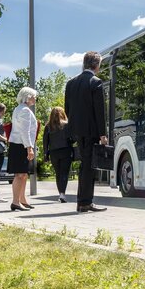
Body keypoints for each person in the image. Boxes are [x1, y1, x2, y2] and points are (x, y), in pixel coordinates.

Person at [65, 51, 108, 213]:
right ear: (96, 65)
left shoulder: (71, 83)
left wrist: (73, 129)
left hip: (77, 131)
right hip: (91, 132)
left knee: (84, 165)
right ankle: (85, 202)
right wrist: (102, 134)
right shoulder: (95, 82)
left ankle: (82, 202)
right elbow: (99, 111)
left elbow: (68, 110)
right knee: (89, 167)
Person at [7, 88, 38, 212]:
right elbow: (24, 131)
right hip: (21, 145)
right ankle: (15, 202)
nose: (35, 99)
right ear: (28, 97)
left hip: (19, 144)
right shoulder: (25, 110)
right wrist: (29, 148)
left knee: (24, 175)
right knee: (20, 175)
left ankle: (22, 200)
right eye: (33, 96)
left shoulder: (18, 108)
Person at [43, 106, 74, 203]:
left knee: (58, 173)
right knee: (64, 173)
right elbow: (73, 138)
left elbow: (45, 141)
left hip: (54, 152)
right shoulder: (67, 125)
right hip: (66, 151)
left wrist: (45, 154)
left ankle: (60, 193)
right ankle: (62, 194)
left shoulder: (48, 126)